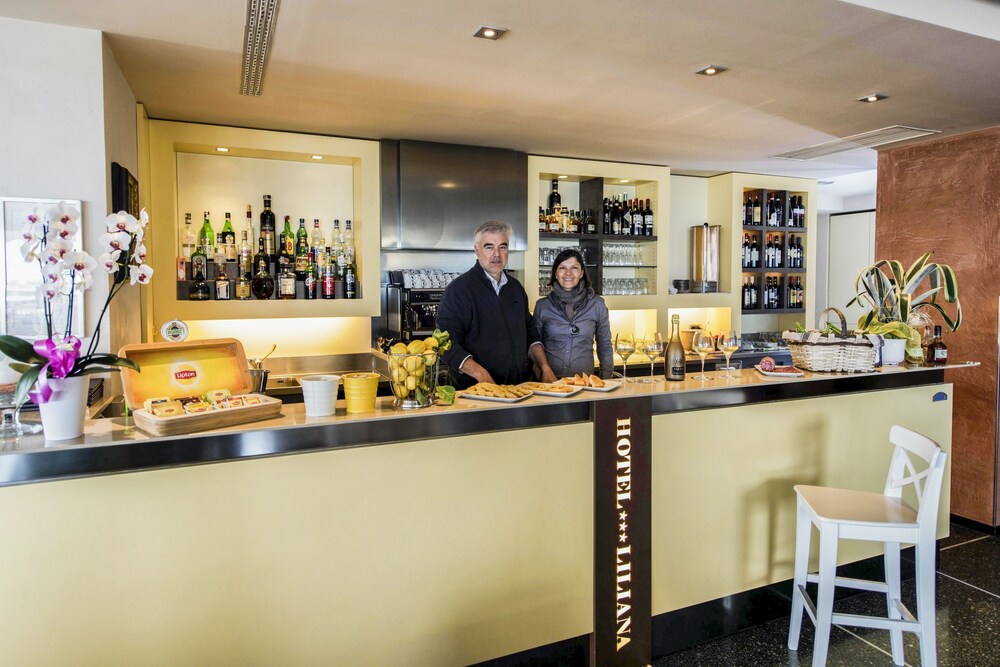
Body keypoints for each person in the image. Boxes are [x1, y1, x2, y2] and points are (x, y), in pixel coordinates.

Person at [437, 221, 556, 388]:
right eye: (489, 247)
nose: (497, 254)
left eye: (503, 247)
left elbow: (530, 333)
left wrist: (544, 367)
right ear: (476, 250)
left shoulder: (515, 288)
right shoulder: (459, 290)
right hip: (475, 392)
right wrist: (482, 376)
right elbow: (445, 343)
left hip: (519, 389)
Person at [533, 248, 613, 379]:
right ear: (556, 273)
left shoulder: (597, 304)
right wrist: (541, 372)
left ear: (581, 273)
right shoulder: (542, 306)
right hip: (551, 383)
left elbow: (604, 345)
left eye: (574, 268)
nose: (568, 273)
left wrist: (606, 379)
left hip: (584, 383)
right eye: (562, 268)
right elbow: (535, 344)